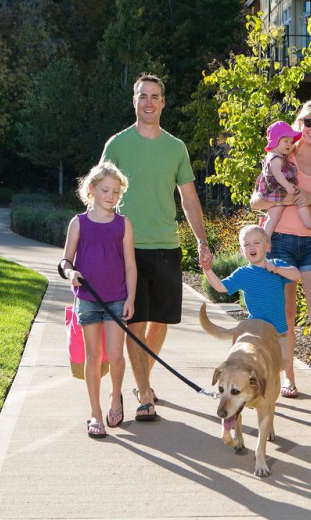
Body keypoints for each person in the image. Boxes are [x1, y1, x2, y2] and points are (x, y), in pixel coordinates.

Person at [100, 73, 212, 421]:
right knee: (135, 321)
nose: (149, 102)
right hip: (126, 245)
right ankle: (145, 393)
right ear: (134, 102)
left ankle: (140, 379)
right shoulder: (117, 145)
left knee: (160, 321)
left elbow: (189, 197)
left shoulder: (175, 147)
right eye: (142, 96)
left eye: (155, 96)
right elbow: (99, 192)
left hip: (166, 244)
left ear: (163, 102)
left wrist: (202, 239)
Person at [250, 99, 311, 405]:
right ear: (299, 122)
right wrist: (286, 202)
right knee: (286, 316)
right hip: (282, 240)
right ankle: (289, 377)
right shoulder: (282, 154)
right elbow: (255, 202)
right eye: (308, 122)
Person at [60, 162, 136, 437]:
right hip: (88, 299)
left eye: (116, 192)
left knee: (115, 356)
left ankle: (116, 397)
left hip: (116, 300)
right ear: (92, 190)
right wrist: (70, 273)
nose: (111, 196)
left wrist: (131, 298)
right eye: (105, 190)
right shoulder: (78, 223)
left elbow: (130, 265)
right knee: (93, 356)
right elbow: (65, 261)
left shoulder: (122, 225)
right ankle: (95, 413)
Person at [203, 225, 301, 368]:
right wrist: (207, 269)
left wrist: (278, 270)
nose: (251, 247)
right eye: (246, 244)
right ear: (242, 251)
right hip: (257, 331)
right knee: (258, 366)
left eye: (256, 243)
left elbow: (297, 275)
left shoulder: (276, 265)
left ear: (267, 246)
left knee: (283, 365)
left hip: (280, 332)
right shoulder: (243, 274)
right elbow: (220, 287)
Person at [257, 121, 311, 236]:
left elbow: (290, 149)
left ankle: (266, 238)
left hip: (274, 189)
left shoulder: (276, 154)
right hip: (278, 188)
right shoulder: (275, 158)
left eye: (291, 141)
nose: (289, 144)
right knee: (299, 197)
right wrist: (287, 185)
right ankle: (307, 221)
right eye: (286, 141)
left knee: (273, 217)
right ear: (275, 141)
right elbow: (277, 174)